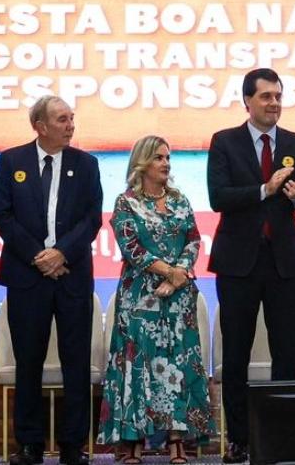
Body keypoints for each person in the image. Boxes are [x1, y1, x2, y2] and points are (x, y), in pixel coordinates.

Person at [206, 68, 295, 463]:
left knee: (286, 353)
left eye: (278, 96)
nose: (274, 103)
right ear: (247, 101)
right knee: (236, 355)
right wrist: (264, 190)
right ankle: (239, 439)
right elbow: (219, 197)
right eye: (266, 96)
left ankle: (285, 436)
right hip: (238, 264)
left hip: (283, 263)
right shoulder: (225, 142)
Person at [0, 95, 103, 465]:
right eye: (62, 119)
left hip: (72, 275)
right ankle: (30, 444)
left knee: (76, 361)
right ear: (39, 125)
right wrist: (39, 256)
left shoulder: (86, 164)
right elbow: (2, 214)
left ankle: (73, 445)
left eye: (71, 118)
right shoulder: (12, 161)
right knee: (28, 361)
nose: (71, 125)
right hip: (27, 275)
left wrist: (61, 253)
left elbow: (92, 219)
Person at [97, 136, 214, 464]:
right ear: (142, 163)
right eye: (159, 158)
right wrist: (170, 273)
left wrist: (179, 275)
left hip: (178, 299)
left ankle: (176, 439)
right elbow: (131, 248)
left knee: (177, 363)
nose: (166, 164)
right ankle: (133, 439)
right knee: (139, 364)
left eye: (168, 158)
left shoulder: (179, 200)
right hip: (139, 296)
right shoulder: (126, 202)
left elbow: (193, 240)